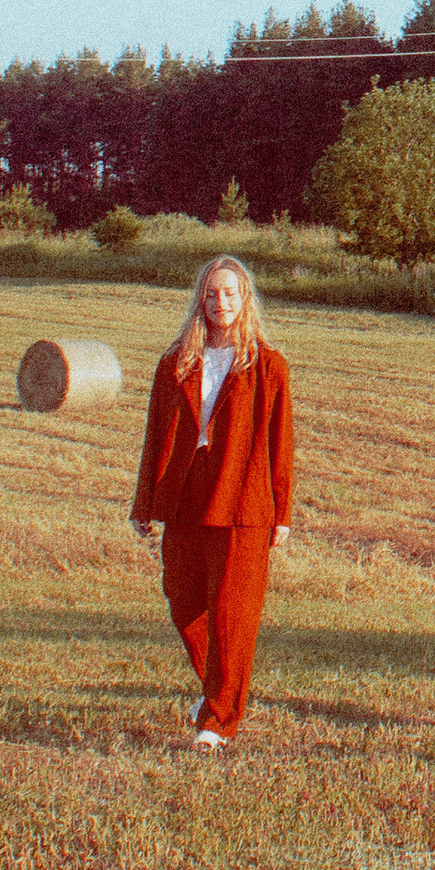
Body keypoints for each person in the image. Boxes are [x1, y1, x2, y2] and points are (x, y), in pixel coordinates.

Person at [130, 254, 295, 753]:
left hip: (243, 501)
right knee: (184, 604)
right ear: (199, 301)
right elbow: (156, 434)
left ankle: (218, 721)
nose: (220, 302)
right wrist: (145, 503)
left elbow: (280, 442)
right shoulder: (175, 361)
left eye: (229, 293)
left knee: (231, 614)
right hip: (186, 495)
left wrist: (282, 514)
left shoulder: (268, 365)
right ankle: (218, 692)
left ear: (244, 300)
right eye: (211, 294)